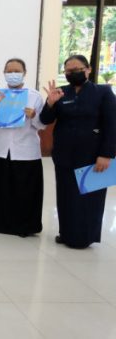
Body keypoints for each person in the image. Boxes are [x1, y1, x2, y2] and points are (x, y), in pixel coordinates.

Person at [40, 55, 116, 249]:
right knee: (66, 195)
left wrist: (107, 154)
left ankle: (84, 237)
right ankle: (66, 233)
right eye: (68, 71)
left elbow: (112, 125)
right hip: (64, 153)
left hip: (92, 155)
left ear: (88, 69)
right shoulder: (61, 92)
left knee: (89, 197)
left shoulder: (103, 92)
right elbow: (45, 119)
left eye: (77, 69)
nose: (73, 73)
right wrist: (50, 103)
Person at [0, 58, 45, 237]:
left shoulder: (34, 96)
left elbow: (42, 126)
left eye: (17, 70)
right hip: (2, 151)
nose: (13, 74)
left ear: (24, 72)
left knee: (25, 192)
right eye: (9, 71)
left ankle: (25, 225)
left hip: (26, 152)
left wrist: (34, 115)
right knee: (2, 191)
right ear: (4, 73)